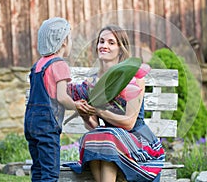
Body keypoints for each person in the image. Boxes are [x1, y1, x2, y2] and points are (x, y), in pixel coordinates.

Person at [65, 25, 165, 182]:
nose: (104, 46)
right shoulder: (92, 81)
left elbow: (130, 123)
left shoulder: (133, 75)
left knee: (108, 138)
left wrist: (99, 112)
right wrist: (86, 114)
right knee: (93, 137)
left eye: (111, 43)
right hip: (110, 142)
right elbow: (94, 126)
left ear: (121, 48)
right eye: (101, 41)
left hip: (138, 141)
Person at [24, 17, 93, 182]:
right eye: (70, 39)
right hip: (47, 125)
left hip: (31, 123)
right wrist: (76, 105)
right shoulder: (60, 64)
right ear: (63, 41)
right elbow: (61, 97)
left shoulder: (38, 65)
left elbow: (48, 91)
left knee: (38, 169)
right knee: (50, 172)